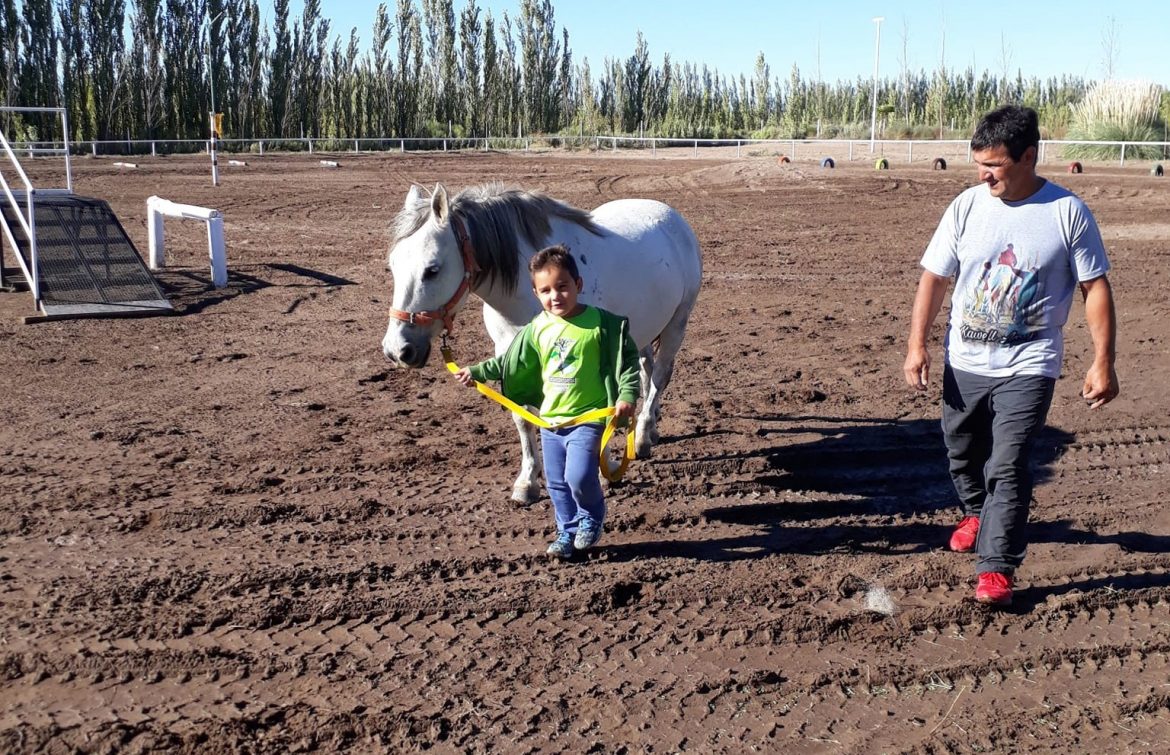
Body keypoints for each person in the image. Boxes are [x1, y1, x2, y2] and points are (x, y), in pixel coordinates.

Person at [903, 104, 1119, 606]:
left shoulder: (1067, 212)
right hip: (965, 361)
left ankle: (996, 566)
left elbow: (1095, 287)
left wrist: (1103, 360)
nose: (984, 175)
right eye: (979, 164)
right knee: (961, 452)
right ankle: (977, 512)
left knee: (1009, 462)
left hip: (1030, 364)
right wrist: (917, 345)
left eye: (994, 165)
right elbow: (935, 278)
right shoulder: (966, 206)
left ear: (1028, 156)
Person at [455, 244, 640, 559]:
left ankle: (592, 516)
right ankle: (566, 532)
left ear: (578, 284)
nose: (555, 296)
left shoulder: (601, 324)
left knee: (578, 477)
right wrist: (477, 372)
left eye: (562, 287)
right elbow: (509, 362)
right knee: (556, 484)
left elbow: (627, 362)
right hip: (550, 421)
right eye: (546, 291)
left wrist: (627, 395)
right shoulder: (538, 327)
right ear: (536, 293)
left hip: (588, 418)